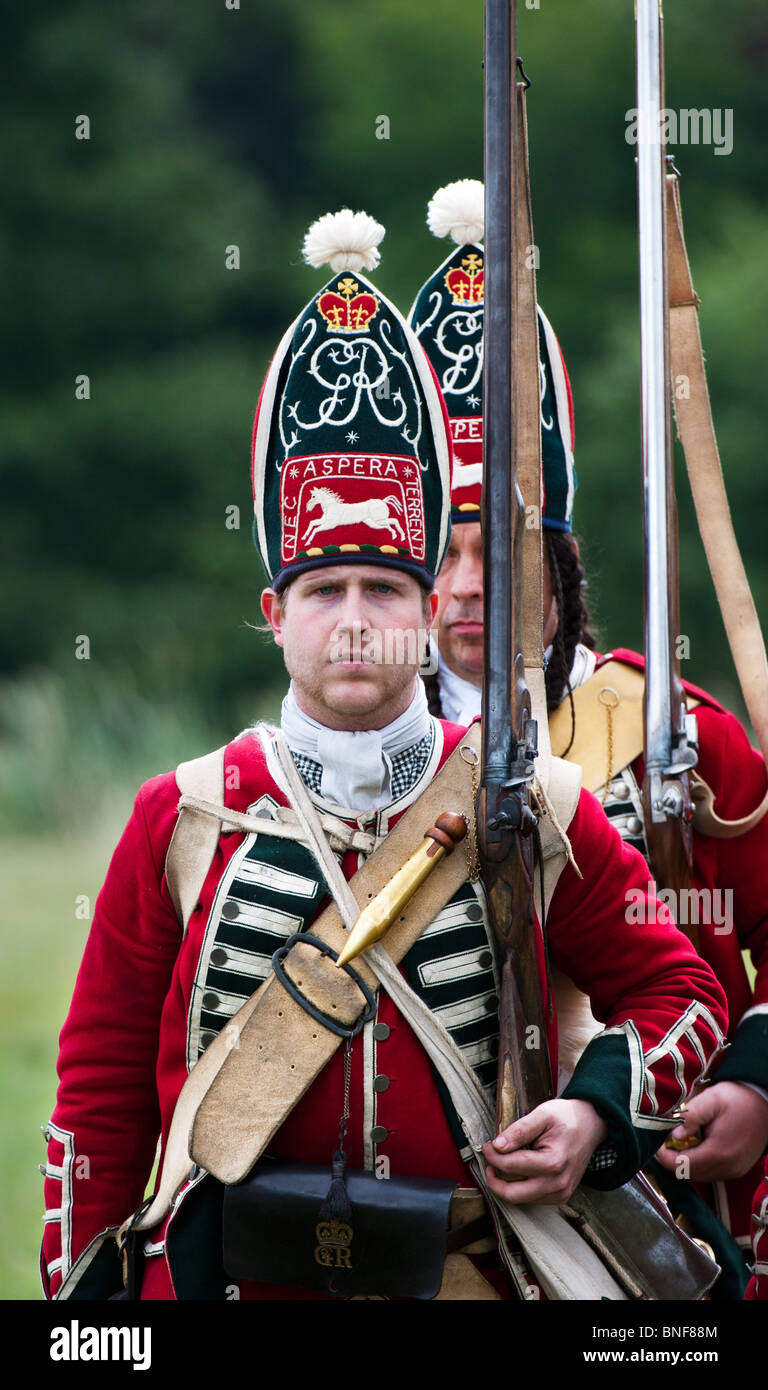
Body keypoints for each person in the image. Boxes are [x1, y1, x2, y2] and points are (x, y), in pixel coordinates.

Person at [40, 208, 726, 1302]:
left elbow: (681, 988)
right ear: (275, 611)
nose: (354, 621)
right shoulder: (183, 817)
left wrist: (596, 1110)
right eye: (323, 591)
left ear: (426, 607)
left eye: (383, 590)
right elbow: (98, 1093)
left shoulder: (535, 802)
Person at [410, 179, 768, 1298]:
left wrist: (757, 1087)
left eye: (502, 548)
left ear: (560, 564)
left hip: (666, 1213)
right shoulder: (358, 773)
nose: (471, 587)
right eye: (442, 555)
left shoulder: (677, 731)